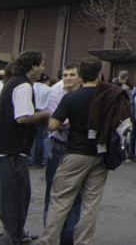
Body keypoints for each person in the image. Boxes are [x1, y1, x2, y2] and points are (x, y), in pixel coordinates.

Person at [34, 56, 131, 245]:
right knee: (91, 204)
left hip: (75, 153)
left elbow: (53, 125)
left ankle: (48, 240)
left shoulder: (71, 98)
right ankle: (82, 241)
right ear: (99, 74)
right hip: (101, 153)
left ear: (80, 77)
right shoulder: (109, 96)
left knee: (61, 200)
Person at [0, 49, 49, 243]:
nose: (43, 69)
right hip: (11, 149)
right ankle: (13, 236)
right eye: (41, 64)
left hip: (1, 148)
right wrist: (45, 114)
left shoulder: (12, 82)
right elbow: (22, 117)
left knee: (2, 195)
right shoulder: (23, 86)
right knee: (16, 196)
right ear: (32, 66)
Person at [43, 65, 83, 244]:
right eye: (65, 75)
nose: (68, 78)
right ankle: (50, 237)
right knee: (53, 194)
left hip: (78, 149)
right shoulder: (56, 97)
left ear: (79, 77)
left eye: (72, 75)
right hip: (59, 147)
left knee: (75, 197)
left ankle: (68, 239)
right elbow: (60, 122)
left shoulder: (83, 96)